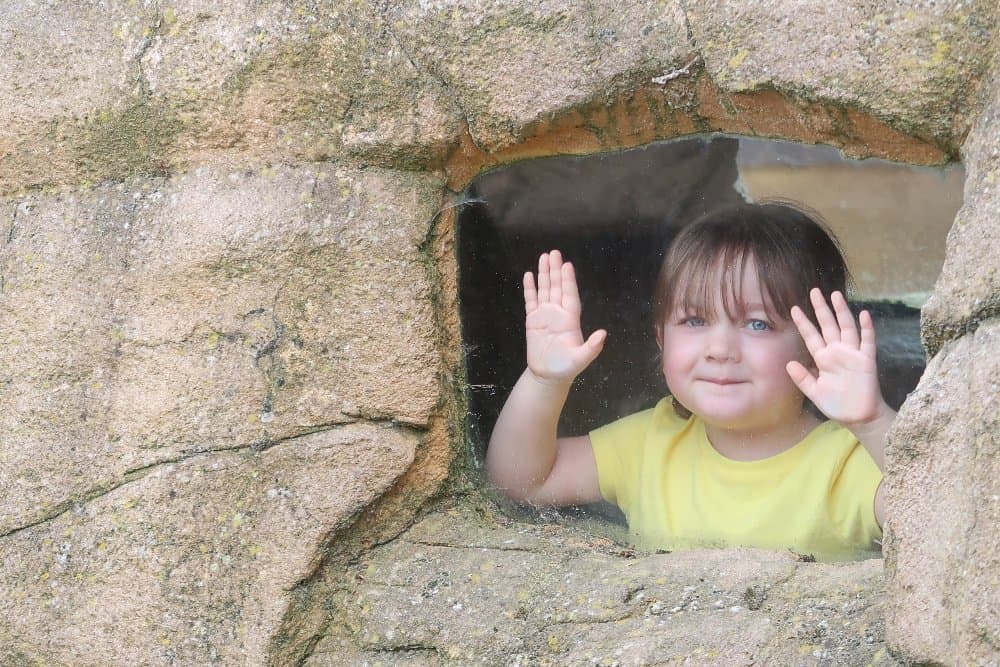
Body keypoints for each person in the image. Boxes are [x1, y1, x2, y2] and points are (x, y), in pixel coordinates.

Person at [485, 202, 896, 561]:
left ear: (815, 344)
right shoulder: (651, 443)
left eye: (758, 323)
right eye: (694, 320)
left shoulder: (845, 463)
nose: (719, 348)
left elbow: (934, 518)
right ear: (662, 337)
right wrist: (544, 380)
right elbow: (519, 483)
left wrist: (872, 422)